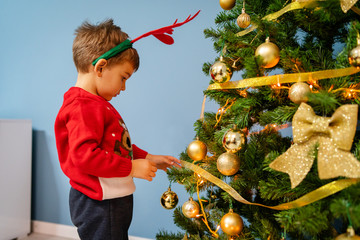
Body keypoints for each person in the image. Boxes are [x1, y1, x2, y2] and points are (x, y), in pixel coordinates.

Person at [54, 19, 182, 240]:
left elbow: (116, 145)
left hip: (111, 198)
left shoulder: (97, 103)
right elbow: (85, 156)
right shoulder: (82, 106)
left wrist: (149, 157)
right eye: (123, 78)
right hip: (99, 202)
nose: (124, 87)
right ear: (101, 67)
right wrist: (132, 168)